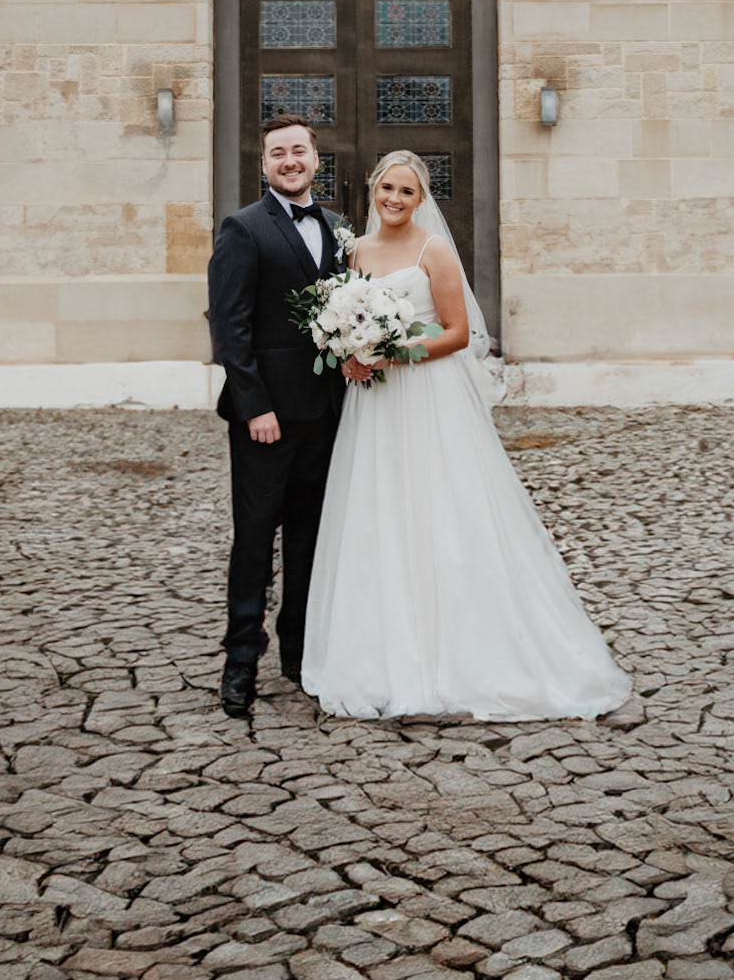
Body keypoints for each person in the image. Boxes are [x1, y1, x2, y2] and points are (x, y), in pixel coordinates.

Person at [302, 149, 634, 721]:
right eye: (388, 188)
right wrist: (353, 354)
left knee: (442, 506)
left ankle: (466, 649)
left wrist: (393, 352)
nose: (395, 199)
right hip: (374, 403)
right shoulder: (354, 251)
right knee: (380, 508)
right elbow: (347, 323)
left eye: (407, 192)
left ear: (420, 199)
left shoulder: (433, 250)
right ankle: (380, 652)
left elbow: (457, 333)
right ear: (373, 189)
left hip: (427, 393)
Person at [207, 116, 346, 716]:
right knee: (256, 539)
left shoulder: (339, 228)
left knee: (312, 539)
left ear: (316, 158)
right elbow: (229, 326)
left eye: (299, 150)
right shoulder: (242, 228)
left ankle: (300, 652)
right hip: (266, 420)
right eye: (277, 153)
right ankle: (240, 660)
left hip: (327, 414)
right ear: (263, 164)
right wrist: (255, 406)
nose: (289, 160)